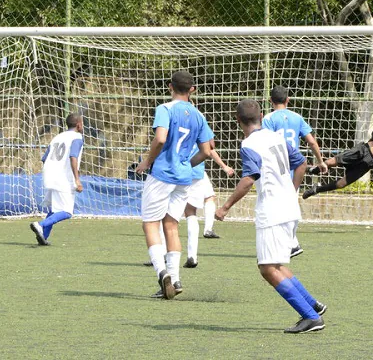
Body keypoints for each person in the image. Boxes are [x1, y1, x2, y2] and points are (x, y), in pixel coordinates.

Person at [215, 99, 326, 334]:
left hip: (272, 210)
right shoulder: (277, 137)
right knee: (276, 264)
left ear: (237, 121)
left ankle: (311, 317)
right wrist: (292, 190)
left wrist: (225, 207)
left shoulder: (249, 144)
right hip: (289, 207)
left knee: (267, 268)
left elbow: (248, 179)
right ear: (262, 115)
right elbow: (302, 163)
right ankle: (312, 305)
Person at [135, 70, 213, 300]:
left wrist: (147, 161)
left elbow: (160, 138)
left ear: (170, 87)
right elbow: (207, 151)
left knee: (150, 224)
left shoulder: (165, 109)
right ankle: (176, 278)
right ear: (192, 90)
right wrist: (187, 164)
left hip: (162, 174)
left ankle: (162, 273)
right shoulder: (199, 115)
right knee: (171, 226)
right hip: (183, 179)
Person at [262, 85, 327, 257]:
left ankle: (289, 243)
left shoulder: (268, 119)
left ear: (270, 101)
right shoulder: (297, 117)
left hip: (276, 168)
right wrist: (320, 161)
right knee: (291, 203)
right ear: (288, 100)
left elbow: (265, 142)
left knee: (275, 207)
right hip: (295, 168)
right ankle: (292, 242)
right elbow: (312, 142)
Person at [30, 113, 84, 246]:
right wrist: (77, 180)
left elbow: (44, 158)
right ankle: (40, 224)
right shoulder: (77, 137)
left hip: (49, 175)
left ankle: (43, 235)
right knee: (66, 212)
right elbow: (73, 157)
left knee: (54, 210)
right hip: (63, 178)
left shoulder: (57, 137)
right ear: (78, 125)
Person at [183, 139, 235, 269]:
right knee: (189, 211)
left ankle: (208, 229)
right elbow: (210, 148)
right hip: (194, 170)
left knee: (209, 197)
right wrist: (224, 166)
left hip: (181, 169)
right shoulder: (199, 121)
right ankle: (192, 254)